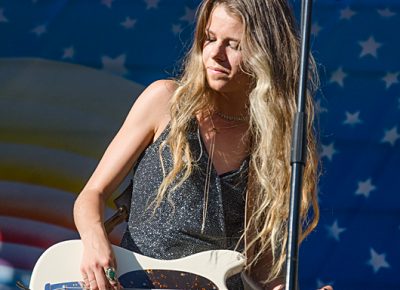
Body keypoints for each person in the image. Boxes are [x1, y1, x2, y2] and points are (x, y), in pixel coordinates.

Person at [73, 0, 333, 289]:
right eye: (210, 39)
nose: (215, 54)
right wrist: (95, 242)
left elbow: (259, 266)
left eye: (234, 45)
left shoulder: (269, 142)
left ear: (266, 53)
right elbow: (91, 195)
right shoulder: (165, 102)